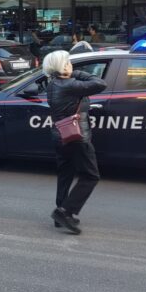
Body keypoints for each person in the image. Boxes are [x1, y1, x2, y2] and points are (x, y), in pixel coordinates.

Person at [43, 50, 106, 235]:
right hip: (77, 137)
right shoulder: (70, 84)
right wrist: (77, 73)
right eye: (68, 63)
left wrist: (70, 73)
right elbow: (100, 83)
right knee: (91, 176)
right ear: (61, 67)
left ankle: (61, 214)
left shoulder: (52, 84)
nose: (71, 65)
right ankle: (64, 212)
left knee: (65, 174)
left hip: (60, 135)